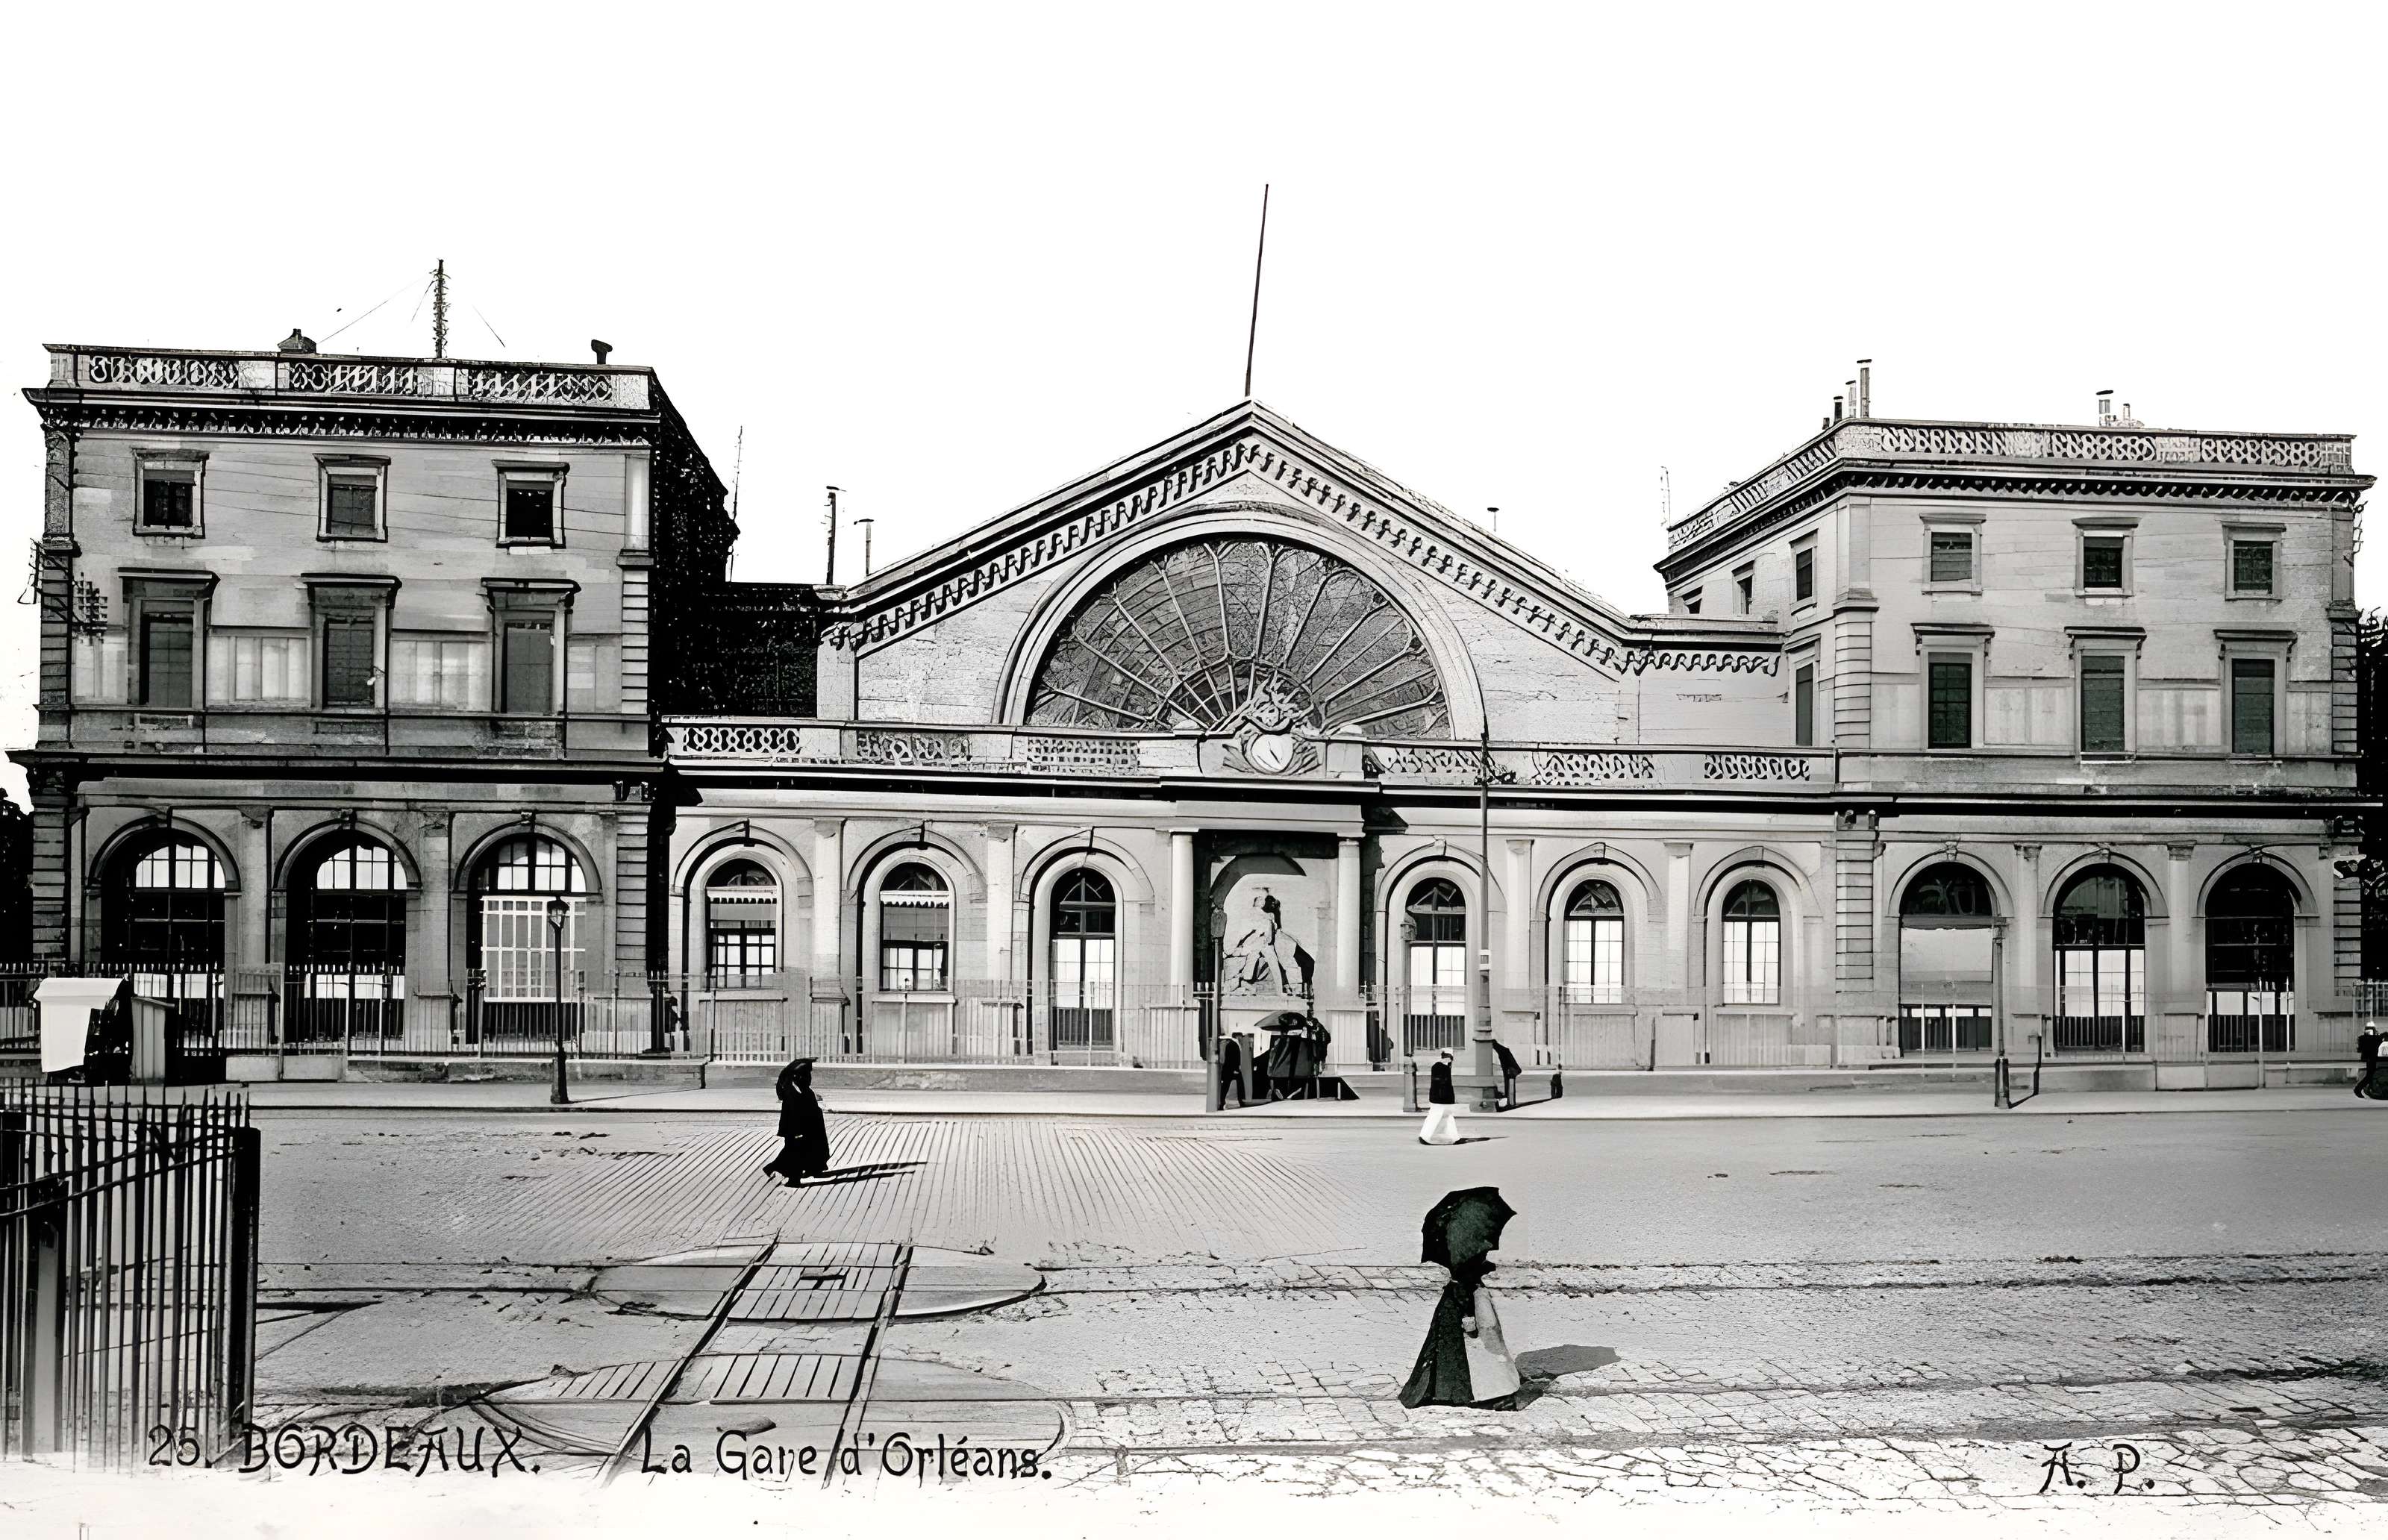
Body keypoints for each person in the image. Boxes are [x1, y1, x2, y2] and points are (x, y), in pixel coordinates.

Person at [1398, 1246, 1521, 1409]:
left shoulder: (1456, 1258)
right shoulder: (1469, 1275)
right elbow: (1484, 1320)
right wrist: (1469, 1315)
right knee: (1470, 1351)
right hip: (1461, 1305)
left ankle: (1442, 1391)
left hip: (1452, 1303)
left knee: (1445, 1351)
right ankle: (1480, 1393)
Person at [762, 1057, 830, 1186]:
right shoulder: (793, 1090)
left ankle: (785, 1171)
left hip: (801, 1127)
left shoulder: (800, 1089)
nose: (809, 1078)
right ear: (798, 1075)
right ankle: (792, 1177)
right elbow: (796, 1112)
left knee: (795, 1150)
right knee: (795, 1151)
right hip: (796, 1127)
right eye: (807, 1073)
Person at [1419, 1050, 1460, 1145]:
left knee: (1446, 1118)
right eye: (1450, 1060)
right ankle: (1426, 1136)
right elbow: (1444, 1084)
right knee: (1438, 1117)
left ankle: (1453, 1137)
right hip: (1441, 1099)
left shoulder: (1438, 1067)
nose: (1451, 1062)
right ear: (1448, 1059)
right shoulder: (1442, 1068)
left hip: (1440, 1098)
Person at [1217, 1033, 1247, 1109]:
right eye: (1241, 1037)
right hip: (1232, 1069)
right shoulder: (1234, 1044)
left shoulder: (1229, 1044)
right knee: (1238, 1085)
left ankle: (1222, 1102)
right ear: (1238, 1037)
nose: (1242, 1039)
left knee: (1225, 1086)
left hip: (1227, 1069)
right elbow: (1234, 1058)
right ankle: (1241, 1101)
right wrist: (1236, 1069)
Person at [2357, 1024, 2384, 1099]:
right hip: (2373, 1059)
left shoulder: (2362, 1038)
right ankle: (2358, 1089)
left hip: (2370, 1059)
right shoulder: (2377, 1038)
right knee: (2370, 1076)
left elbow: (2360, 1049)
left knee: (2370, 1075)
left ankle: (2368, 1088)